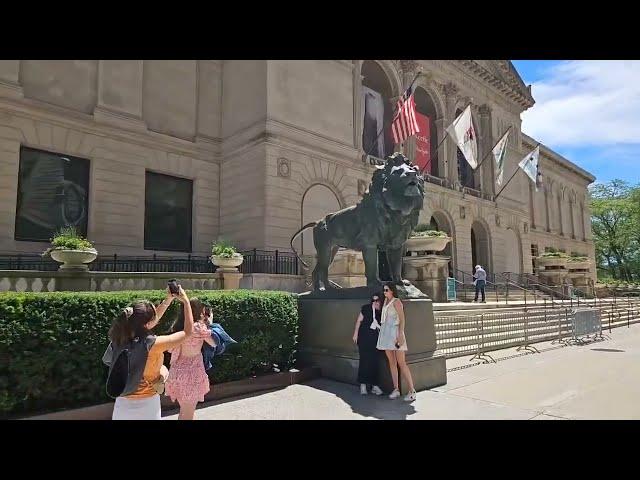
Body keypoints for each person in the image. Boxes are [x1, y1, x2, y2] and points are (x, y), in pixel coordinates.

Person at [105, 286, 194, 420]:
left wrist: (168, 300)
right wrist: (186, 301)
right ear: (147, 323)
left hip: (122, 403)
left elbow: (148, 322)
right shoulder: (154, 344)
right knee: (163, 369)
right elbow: (188, 332)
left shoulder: (119, 338)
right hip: (147, 405)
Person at [165, 298, 216, 420]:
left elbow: (170, 348)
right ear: (199, 310)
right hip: (193, 373)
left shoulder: (179, 326)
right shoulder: (199, 327)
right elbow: (213, 343)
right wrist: (210, 323)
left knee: (184, 412)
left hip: (177, 372)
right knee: (188, 414)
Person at [376, 282, 417, 402]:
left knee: (401, 363)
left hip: (395, 333)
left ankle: (412, 390)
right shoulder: (385, 302)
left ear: (392, 290)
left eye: (386, 290)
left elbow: (402, 319)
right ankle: (396, 389)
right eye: (384, 290)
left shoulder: (397, 302)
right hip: (386, 334)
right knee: (391, 362)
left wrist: (400, 335)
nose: (384, 292)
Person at [352, 293, 384, 396]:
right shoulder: (366, 308)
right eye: (373, 301)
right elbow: (359, 321)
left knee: (374, 362)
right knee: (364, 360)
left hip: (375, 340)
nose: (375, 303)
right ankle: (363, 385)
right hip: (364, 338)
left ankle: (375, 386)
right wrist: (355, 334)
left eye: (377, 300)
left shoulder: (381, 312)